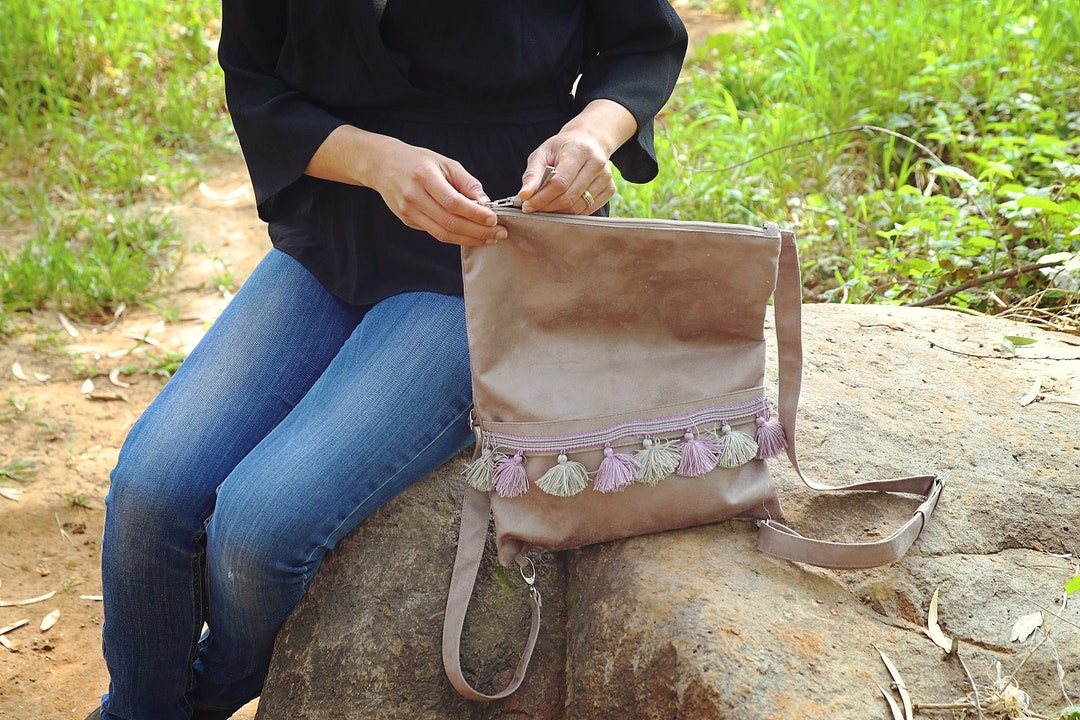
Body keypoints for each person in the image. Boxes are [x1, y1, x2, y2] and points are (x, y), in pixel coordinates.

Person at [87, 1, 687, 718]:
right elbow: (255, 81)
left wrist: (590, 135)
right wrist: (376, 161)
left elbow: (643, 43)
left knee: (256, 530)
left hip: (502, 245)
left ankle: (203, 695)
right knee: (149, 494)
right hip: (335, 230)